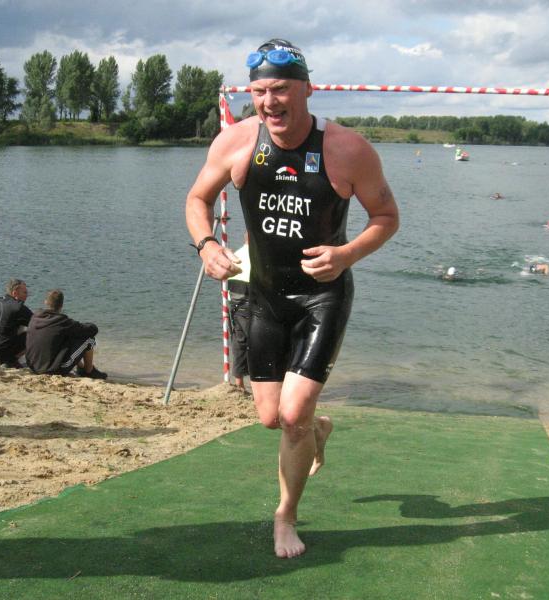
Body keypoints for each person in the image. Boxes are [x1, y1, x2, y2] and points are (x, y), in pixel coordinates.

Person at [185, 38, 399, 559]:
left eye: (280, 89)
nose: (269, 102)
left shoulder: (348, 149)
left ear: (307, 89)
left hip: (321, 298)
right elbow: (197, 199)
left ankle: (285, 515)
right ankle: (316, 428)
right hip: (263, 297)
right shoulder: (236, 142)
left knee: (293, 414)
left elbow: (386, 217)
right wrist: (207, 244)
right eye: (259, 92)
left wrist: (347, 254)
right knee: (271, 417)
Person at [25, 289, 107, 379]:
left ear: (45, 302)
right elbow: (93, 329)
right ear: (61, 305)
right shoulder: (62, 321)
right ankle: (89, 371)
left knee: (67, 336)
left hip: (32, 365)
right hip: (52, 370)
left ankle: (81, 367)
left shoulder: (35, 317)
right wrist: (85, 324)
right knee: (89, 340)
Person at [0, 278, 33, 368]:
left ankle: (8, 359)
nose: (27, 295)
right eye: (24, 293)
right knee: (34, 334)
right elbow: (38, 323)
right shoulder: (18, 307)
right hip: (1, 351)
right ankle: (11, 360)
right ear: (15, 293)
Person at [228, 241, 251, 389]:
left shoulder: (236, 255)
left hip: (235, 303)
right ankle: (258, 385)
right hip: (252, 303)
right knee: (259, 345)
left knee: (239, 342)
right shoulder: (258, 255)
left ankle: (239, 383)